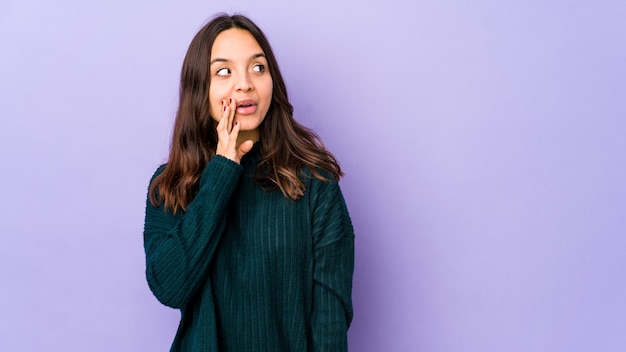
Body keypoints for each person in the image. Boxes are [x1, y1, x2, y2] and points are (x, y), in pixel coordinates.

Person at [142, 13, 355, 351]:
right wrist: (223, 168)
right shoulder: (171, 184)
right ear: (201, 88)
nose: (245, 83)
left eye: (258, 68)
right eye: (223, 71)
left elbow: (330, 317)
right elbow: (170, 287)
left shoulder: (314, 180)